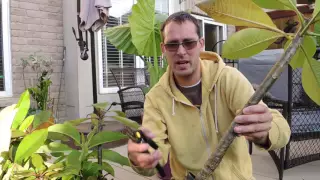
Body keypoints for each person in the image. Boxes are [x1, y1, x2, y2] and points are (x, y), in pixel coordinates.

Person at [127, 11, 291, 180]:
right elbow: (154, 153)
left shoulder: (228, 79)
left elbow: (282, 130)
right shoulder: (156, 98)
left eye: (189, 43)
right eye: (172, 45)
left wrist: (265, 133)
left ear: (201, 44)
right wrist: (142, 158)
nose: (181, 51)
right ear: (163, 49)